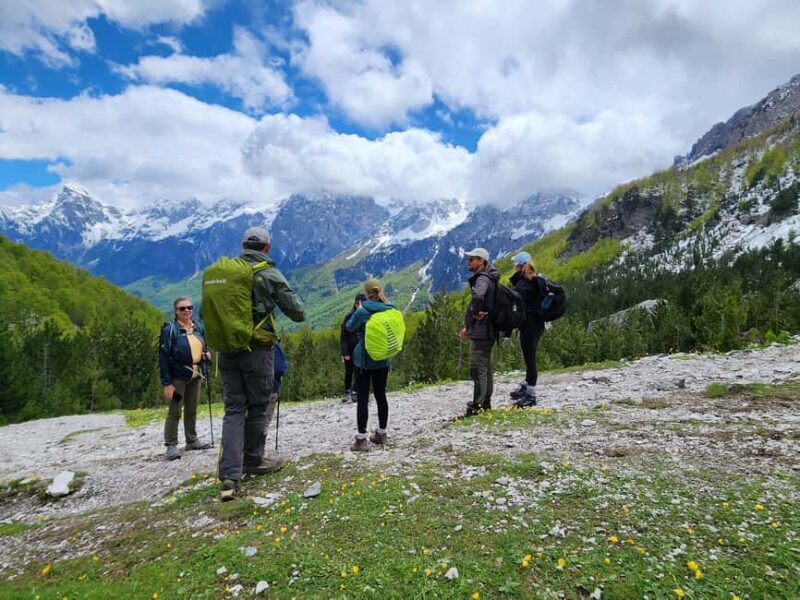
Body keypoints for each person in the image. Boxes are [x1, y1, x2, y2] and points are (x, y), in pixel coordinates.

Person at [216, 227, 305, 501]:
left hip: (227, 349)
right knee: (257, 405)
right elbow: (298, 312)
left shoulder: (225, 272)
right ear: (266, 248)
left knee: (233, 410)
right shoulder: (268, 273)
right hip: (256, 349)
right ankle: (253, 460)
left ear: (243, 246)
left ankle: (229, 476)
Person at [158, 297, 212, 460]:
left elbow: (203, 347)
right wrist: (167, 383)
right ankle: (171, 445)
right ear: (175, 311)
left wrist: (206, 357)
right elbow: (163, 357)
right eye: (182, 309)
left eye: (189, 307)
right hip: (177, 378)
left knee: (191, 409)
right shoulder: (170, 330)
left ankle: (192, 440)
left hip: (195, 375)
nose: (187, 311)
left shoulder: (198, 327)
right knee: (175, 410)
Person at [345, 279, 396, 451]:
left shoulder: (363, 311)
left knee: (363, 399)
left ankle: (361, 440)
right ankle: (381, 433)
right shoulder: (391, 308)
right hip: (383, 359)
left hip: (364, 361)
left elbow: (349, 327)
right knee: (381, 395)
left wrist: (358, 312)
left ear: (367, 293)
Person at [459, 247, 500, 417]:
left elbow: (478, 296)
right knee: (486, 367)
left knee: (478, 369)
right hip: (487, 329)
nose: (468, 262)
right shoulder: (490, 276)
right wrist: (468, 326)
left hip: (482, 331)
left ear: (481, 261)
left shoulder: (482, 278)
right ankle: (486, 402)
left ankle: (477, 406)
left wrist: (475, 313)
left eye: (472, 259)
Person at [509, 251, 547, 407]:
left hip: (529, 325)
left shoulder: (523, 284)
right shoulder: (537, 280)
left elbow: (517, 306)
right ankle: (526, 385)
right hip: (538, 324)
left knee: (530, 359)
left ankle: (531, 395)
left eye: (515, 264)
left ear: (518, 266)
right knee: (530, 357)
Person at [339, 294, 366, 403]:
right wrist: (345, 352)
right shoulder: (348, 317)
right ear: (356, 303)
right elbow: (343, 336)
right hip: (349, 349)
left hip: (360, 349)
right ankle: (347, 390)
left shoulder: (364, 316)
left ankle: (356, 391)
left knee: (359, 370)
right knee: (349, 371)